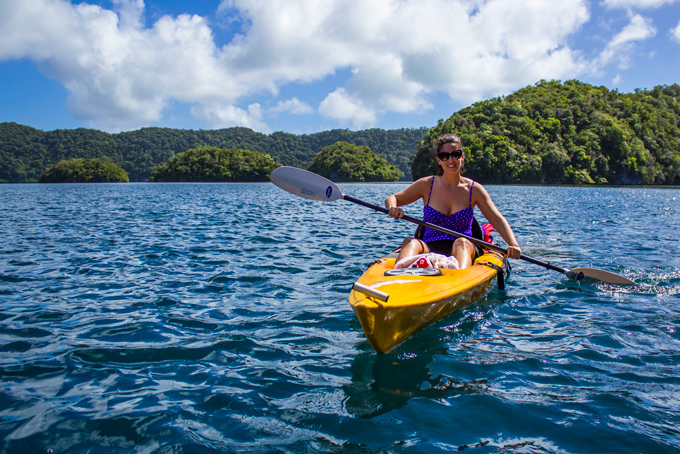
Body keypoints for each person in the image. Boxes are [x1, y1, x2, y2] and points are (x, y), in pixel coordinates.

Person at [385, 133, 522, 269]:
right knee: (410, 242)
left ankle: (459, 278)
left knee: (461, 242)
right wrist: (392, 207)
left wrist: (513, 244)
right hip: (429, 245)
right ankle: (399, 277)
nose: (450, 160)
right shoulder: (426, 185)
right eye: (444, 156)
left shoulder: (474, 190)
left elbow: (497, 220)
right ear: (439, 160)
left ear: (462, 156)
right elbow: (393, 198)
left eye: (455, 154)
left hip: (463, 248)